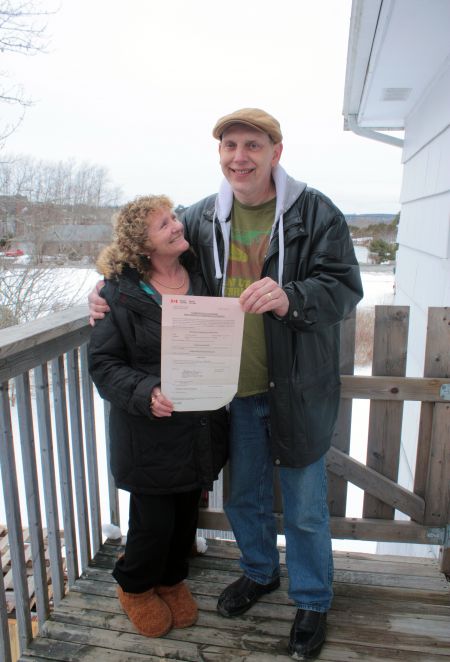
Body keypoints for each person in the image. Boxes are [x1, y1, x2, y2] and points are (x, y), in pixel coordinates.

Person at [88, 109, 363, 660]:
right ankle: (259, 573)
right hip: (228, 392)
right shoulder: (201, 218)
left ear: (275, 153)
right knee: (245, 497)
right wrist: (100, 290)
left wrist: (293, 297)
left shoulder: (316, 213)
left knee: (306, 506)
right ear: (220, 155)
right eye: (230, 145)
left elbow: (343, 286)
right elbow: (142, 261)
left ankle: (311, 599)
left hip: (295, 387)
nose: (240, 156)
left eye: (253, 145)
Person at [87, 195, 228, 639]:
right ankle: (134, 586)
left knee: (186, 511)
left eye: (173, 218)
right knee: (153, 522)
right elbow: (104, 364)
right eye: (162, 224)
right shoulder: (119, 293)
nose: (175, 226)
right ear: (143, 247)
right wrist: (146, 392)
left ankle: (170, 580)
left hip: (197, 424)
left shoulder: (201, 277)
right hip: (148, 429)